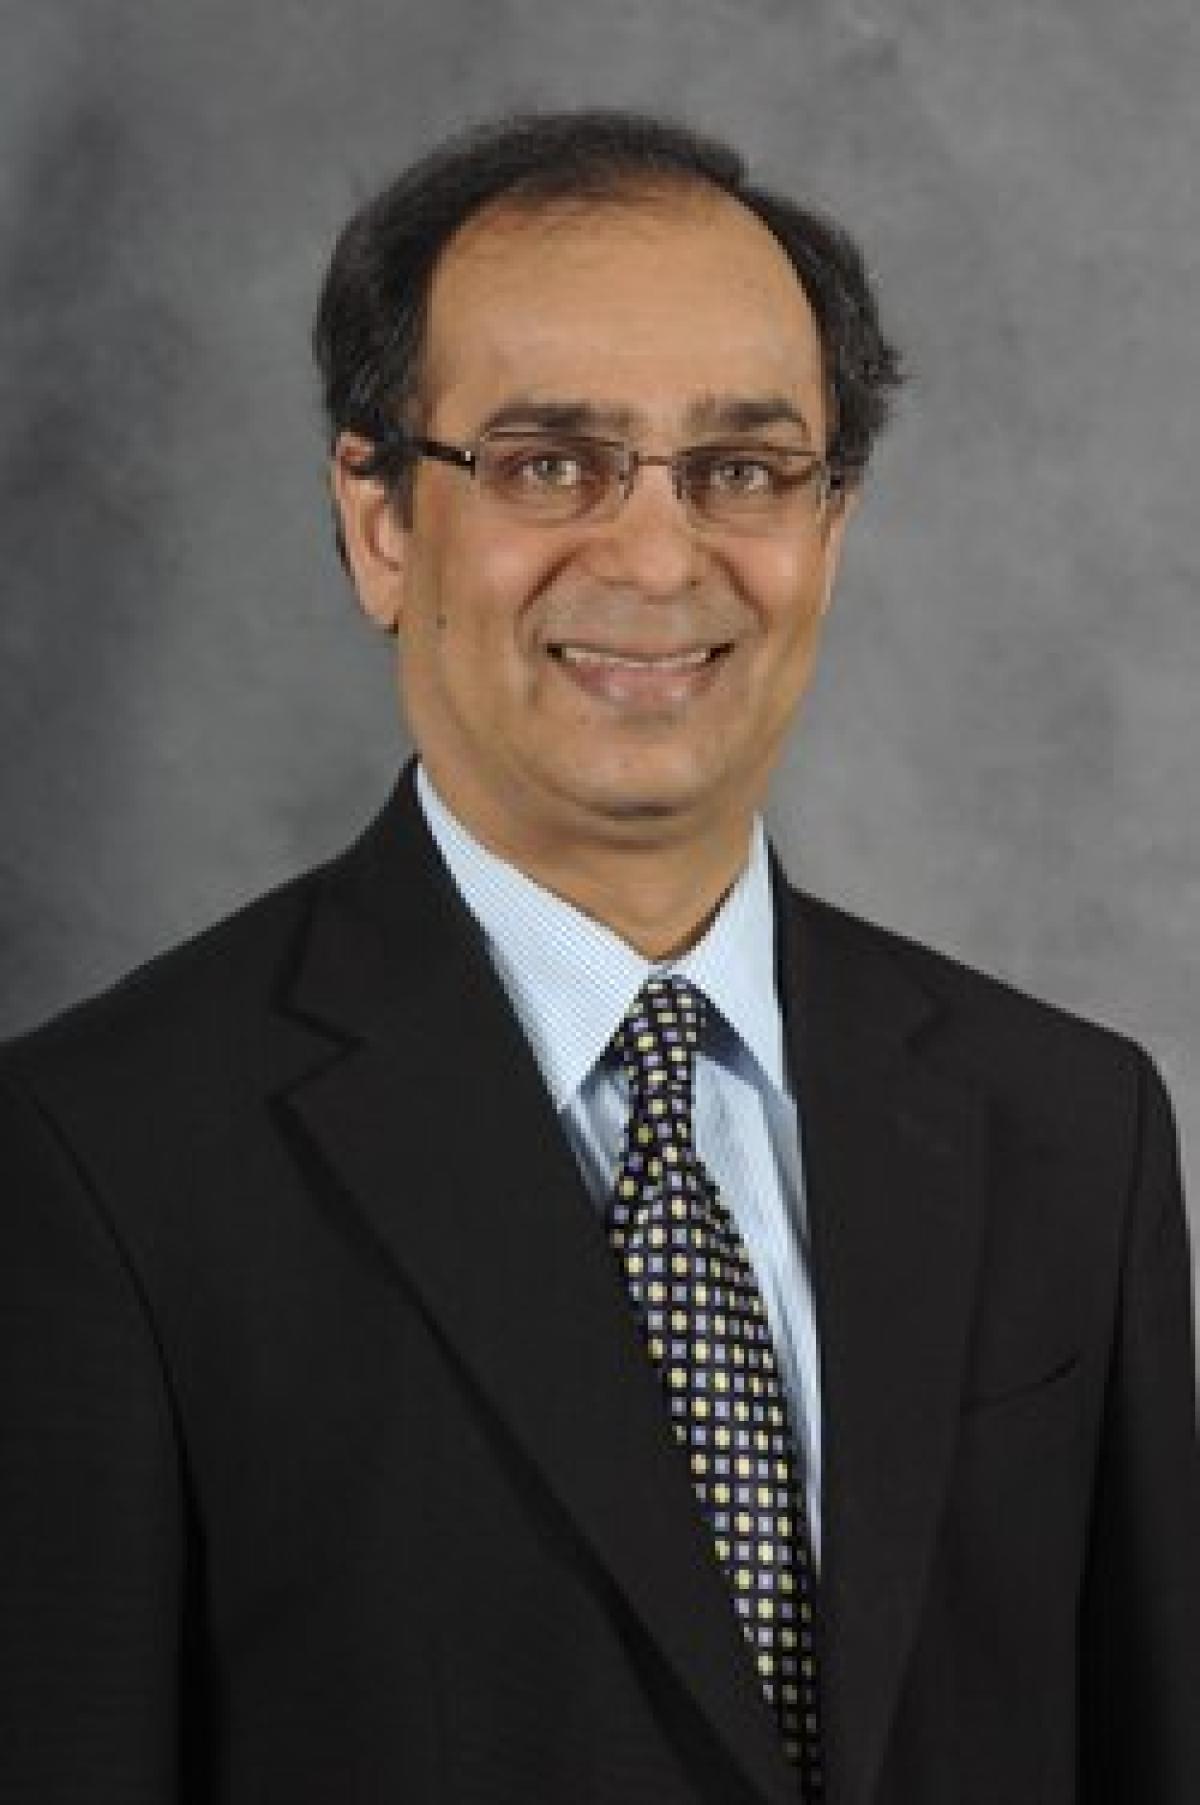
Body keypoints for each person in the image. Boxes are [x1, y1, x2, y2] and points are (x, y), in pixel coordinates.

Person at [1, 109, 1196, 1805]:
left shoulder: (1075, 1127)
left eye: (742, 468)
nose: (654, 554)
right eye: (547, 461)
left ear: (829, 524)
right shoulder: (95, 1164)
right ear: (381, 522)